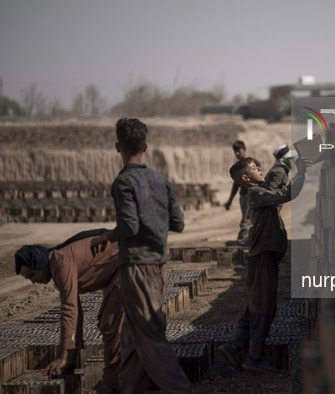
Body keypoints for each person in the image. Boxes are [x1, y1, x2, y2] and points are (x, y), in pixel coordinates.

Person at [90, 118, 193, 394]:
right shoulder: (161, 180)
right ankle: (129, 388)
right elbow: (178, 223)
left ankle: (182, 389)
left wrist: (106, 237)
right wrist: (154, 219)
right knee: (131, 336)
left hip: (136, 266)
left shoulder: (123, 182)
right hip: (159, 265)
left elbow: (129, 226)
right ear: (145, 146)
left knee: (149, 334)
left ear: (117, 147)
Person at [218, 155, 311, 373]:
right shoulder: (256, 192)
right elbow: (286, 194)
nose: (259, 168)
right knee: (263, 309)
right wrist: (301, 173)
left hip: (264, 257)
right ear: (245, 177)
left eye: (257, 165)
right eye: (253, 168)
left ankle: (233, 347)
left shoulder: (258, 193)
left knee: (255, 306)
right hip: (262, 258)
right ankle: (254, 358)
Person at [15, 229, 123, 393]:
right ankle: (124, 377)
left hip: (129, 262)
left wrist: (63, 356)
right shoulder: (59, 262)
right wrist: (70, 358)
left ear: (38, 265)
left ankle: (114, 384)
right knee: (108, 322)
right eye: (28, 278)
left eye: (31, 274)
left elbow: (69, 311)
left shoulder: (60, 263)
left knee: (110, 324)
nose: (33, 281)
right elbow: (77, 314)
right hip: (122, 265)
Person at [223, 140, 251, 247]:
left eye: (238, 150)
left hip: (250, 196)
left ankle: (244, 243)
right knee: (247, 219)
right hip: (244, 196)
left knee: (247, 220)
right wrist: (230, 200)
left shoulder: (250, 163)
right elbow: (236, 185)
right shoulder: (239, 166)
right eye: (235, 151)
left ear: (244, 150)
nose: (237, 153)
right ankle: (246, 242)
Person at [264, 144, 295, 212]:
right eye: (289, 159)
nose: (292, 160)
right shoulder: (279, 171)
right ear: (283, 160)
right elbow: (271, 193)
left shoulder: (281, 170)